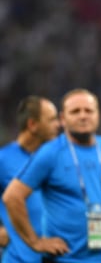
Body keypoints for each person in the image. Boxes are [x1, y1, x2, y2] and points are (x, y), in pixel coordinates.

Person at [2, 88, 101, 263]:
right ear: (63, 119)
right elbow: (12, 196)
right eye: (75, 111)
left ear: (98, 115)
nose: (83, 116)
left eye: (88, 110)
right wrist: (35, 242)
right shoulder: (50, 152)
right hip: (63, 259)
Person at [0, 96, 60, 262]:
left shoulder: (55, 159)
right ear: (32, 125)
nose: (58, 125)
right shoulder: (3, 159)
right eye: (52, 120)